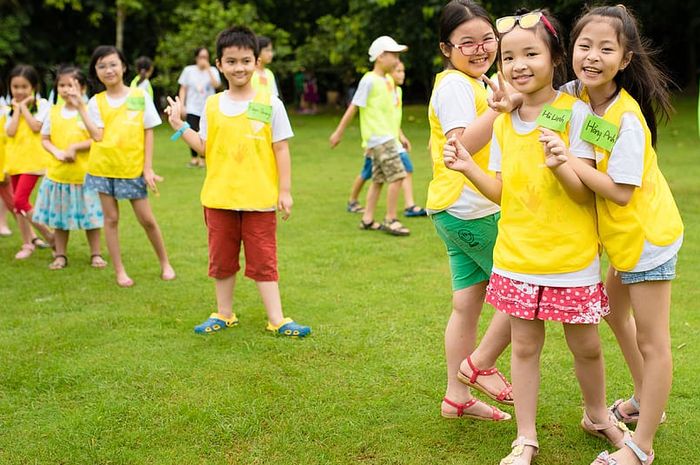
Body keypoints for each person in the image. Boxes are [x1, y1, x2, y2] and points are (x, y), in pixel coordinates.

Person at [443, 10, 629, 464]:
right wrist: (470, 169)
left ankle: (598, 415)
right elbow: (505, 194)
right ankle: (525, 437)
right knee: (524, 348)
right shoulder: (505, 121)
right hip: (516, 257)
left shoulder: (577, 113)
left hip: (571, 259)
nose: (519, 64)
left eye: (531, 53)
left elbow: (584, 196)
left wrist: (562, 162)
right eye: (509, 57)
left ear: (556, 58)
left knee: (585, 345)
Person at [562, 6, 683, 465]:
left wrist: (567, 162)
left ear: (626, 59)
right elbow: (541, 97)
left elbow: (621, 193)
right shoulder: (578, 94)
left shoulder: (627, 120)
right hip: (624, 240)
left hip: (647, 237)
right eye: (584, 46)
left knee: (654, 343)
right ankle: (643, 398)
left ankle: (642, 446)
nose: (592, 56)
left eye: (605, 49)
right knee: (613, 311)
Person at [164, 25, 311, 338]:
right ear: (219, 64)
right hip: (219, 198)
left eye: (246, 60)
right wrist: (178, 125)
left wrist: (284, 191)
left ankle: (277, 319)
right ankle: (224, 313)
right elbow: (203, 146)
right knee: (221, 260)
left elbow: (281, 148)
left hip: (258, 198)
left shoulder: (271, 103)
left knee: (264, 260)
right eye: (231, 61)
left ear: (257, 62)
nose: (239, 67)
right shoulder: (212, 105)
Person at [427, 0, 517, 422]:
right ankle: (478, 365)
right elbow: (462, 146)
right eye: (468, 43)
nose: (480, 49)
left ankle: (456, 397)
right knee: (522, 288)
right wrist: (501, 109)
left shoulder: (477, 83)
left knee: (467, 304)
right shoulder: (454, 87)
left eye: (487, 40)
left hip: (455, 208)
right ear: (447, 48)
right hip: (470, 208)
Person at [74, 45, 175, 287]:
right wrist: (80, 107)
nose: (108, 70)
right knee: (111, 220)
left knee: (147, 219)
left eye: (112, 64)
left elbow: (148, 131)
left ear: (123, 67)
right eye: (101, 66)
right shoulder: (95, 103)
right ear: (96, 71)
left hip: (132, 169)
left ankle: (165, 263)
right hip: (103, 169)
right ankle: (120, 271)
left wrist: (147, 168)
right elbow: (97, 136)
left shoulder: (139, 97)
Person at [329, 35, 410, 236]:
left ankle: (367, 219)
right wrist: (339, 132)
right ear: (381, 57)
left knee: (378, 180)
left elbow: (390, 112)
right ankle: (391, 219)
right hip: (380, 139)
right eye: (394, 55)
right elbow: (353, 108)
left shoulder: (389, 81)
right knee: (398, 176)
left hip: (388, 138)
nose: (397, 60)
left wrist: (400, 135)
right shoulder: (369, 80)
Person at [33, 66, 106, 270]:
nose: (66, 90)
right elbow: (45, 139)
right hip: (59, 176)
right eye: (62, 85)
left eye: (71, 85)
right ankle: (60, 255)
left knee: (91, 219)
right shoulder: (53, 112)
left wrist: (75, 147)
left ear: (82, 87)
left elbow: (97, 138)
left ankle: (96, 254)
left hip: (86, 176)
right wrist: (56, 152)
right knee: (60, 220)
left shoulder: (89, 111)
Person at [347, 60, 427, 217]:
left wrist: (401, 136)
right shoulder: (380, 87)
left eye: (403, 71)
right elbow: (375, 115)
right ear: (389, 74)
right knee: (367, 173)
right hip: (378, 141)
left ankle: (409, 206)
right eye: (398, 71)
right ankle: (353, 201)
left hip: (392, 140)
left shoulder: (399, 92)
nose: (401, 74)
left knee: (406, 168)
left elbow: (392, 118)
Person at [4, 64, 55, 259]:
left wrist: (24, 107)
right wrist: (17, 109)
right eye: (15, 87)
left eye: (24, 86)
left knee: (19, 200)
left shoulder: (42, 105)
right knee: (18, 206)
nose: (19, 91)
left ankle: (50, 236)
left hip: (33, 162)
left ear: (33, 86)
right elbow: (10, 131)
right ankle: (27, 244)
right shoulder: (9, 109)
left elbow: (35, 127)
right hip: (16, 162)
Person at [178, 47, 222, 167]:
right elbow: (183, 88)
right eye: (201, 57)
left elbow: (217, 85)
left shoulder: (213, 70)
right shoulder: (188, 70)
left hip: (208, 107)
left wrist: (208, 69)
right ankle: (194, 158)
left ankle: (203, 158)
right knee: (191, 130)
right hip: (192, 106)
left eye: (206, 57)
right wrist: (182, 104)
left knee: (206, 132)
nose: (203, 60)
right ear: (196, 58)